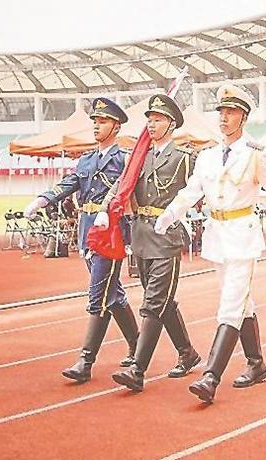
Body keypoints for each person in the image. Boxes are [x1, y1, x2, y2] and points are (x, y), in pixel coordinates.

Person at [153, 83, 266, 403]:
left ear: (243, 117)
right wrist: (170, 214)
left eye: (231, 112)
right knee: (242, 303)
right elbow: (191, 191)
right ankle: (256, 364)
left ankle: (211, 375)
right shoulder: (207, 156)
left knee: (230, 305)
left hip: (242, 235)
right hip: (217, 236)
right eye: (221, 112)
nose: (224, 118)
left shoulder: (255, 157)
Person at [23, 97, 139, 383]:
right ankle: (138, 345)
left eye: (102, 122)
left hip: (110, 233)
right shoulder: (87, 159)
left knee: (99, 295)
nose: (96, 126)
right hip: (87, 231)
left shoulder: (124, 159)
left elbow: (125, 193)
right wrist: (42, 199)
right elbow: (70, 183)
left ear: (116, 126)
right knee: (113, 294)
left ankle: (85, 362)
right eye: (95, 122)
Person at [93, 95, 202, 392]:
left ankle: (138, 370)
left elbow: (201, 188)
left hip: (166, 237)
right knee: (163, 301)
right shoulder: (140, 155)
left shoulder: (183, 159)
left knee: (153, 302)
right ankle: (188, 353)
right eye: (149, 119)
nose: (151, 124)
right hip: (141, 235)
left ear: (171, 123)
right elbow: (122, 184)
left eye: (157, 119)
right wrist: (105, 209)